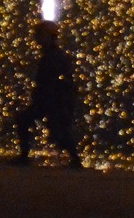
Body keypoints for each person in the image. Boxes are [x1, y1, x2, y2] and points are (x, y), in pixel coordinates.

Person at [15, 19, 85, 165]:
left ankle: (74, 159)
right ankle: (74, 158)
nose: (37, 39)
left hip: (53, 100)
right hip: (51, 99)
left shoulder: (54, 56)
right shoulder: (53, 55)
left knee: (57, 131)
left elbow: (52, 80)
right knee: (54, 129)